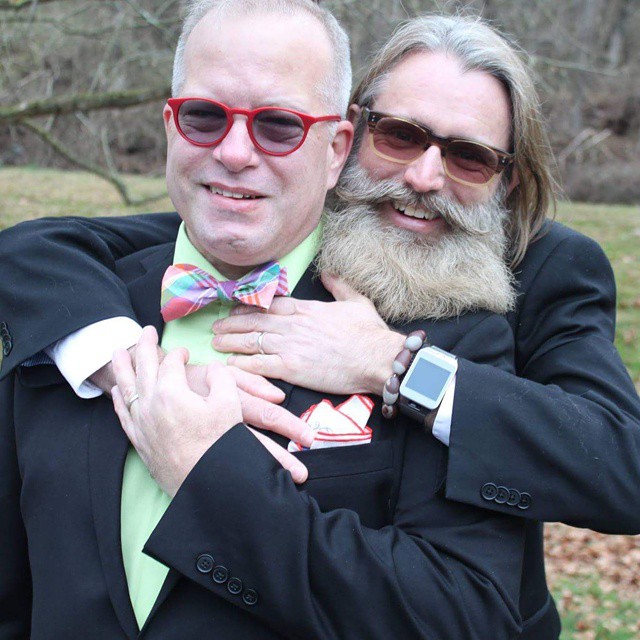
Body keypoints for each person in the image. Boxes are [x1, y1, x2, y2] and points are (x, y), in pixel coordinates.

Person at [0, 2, 535, 639]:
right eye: (204, 117)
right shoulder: (75, 317)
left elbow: (463, 616)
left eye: (279, 126)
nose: (233, 153)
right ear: (171, 126)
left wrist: (210, 476)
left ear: (337, 150)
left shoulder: (439, 339)